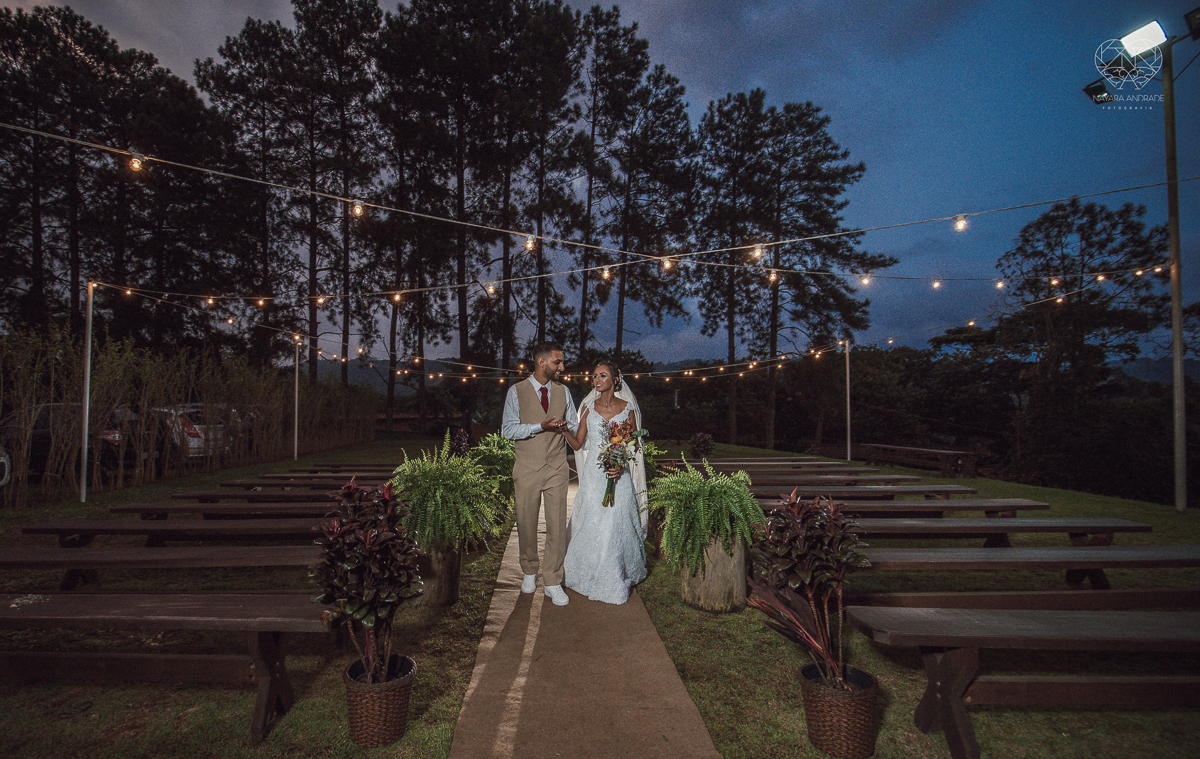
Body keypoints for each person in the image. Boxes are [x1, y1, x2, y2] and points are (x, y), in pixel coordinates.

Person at [560, 361, 648, 605]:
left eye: (602, 375)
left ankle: (615, 572)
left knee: (615, 522)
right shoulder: (588, 408)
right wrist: (564, 430)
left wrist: (620, 461)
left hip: (619, 477)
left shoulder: (627, 408)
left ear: (615, 379)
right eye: (594, 376)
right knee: (594, 522)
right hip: (595, 478)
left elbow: (633, 444)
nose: (596, 380)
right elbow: (578, 444)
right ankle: (587, 570)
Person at [501, 342, 578, 606]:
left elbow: (576, 425)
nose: (562, 367)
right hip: (526, 467)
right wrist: (539, 426)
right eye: (558, 362)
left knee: (556, 525)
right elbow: (508, 430)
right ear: (542, 362)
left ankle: (553, 580)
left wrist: (567, 427)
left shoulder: (563, 391)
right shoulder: (516, 391)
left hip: (557, 466)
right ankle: (529, 571)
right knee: (526, 522)